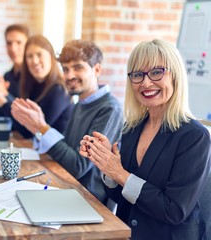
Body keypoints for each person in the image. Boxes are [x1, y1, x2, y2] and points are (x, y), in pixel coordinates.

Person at [80, 39, 211, 239]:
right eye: (138, 75)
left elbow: (174, 210)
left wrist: (120, 173)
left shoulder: (194, 136)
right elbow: (120, 197)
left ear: (175, 76)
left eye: (157, 72)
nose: (146, 83)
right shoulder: (132, 128)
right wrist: (108, 166)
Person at [10, 39, 123, 208]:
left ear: (97, 69)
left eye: (78, 67)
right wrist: (40, 127)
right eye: (65, 69)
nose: (69, 76)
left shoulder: (109, 109)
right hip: (64, 187)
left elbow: (78, 166)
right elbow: (67, 150)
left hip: (87, 201)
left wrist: (41, 127)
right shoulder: (79, 104)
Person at [0, 34, 73, 138]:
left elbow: (31, 132)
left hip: (53, 153)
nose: (35, 61)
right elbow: (18, 124)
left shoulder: (60, 90)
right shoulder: (32, 86)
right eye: (30, 56)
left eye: (39, 54)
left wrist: (2, 99)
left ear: (51, 56)